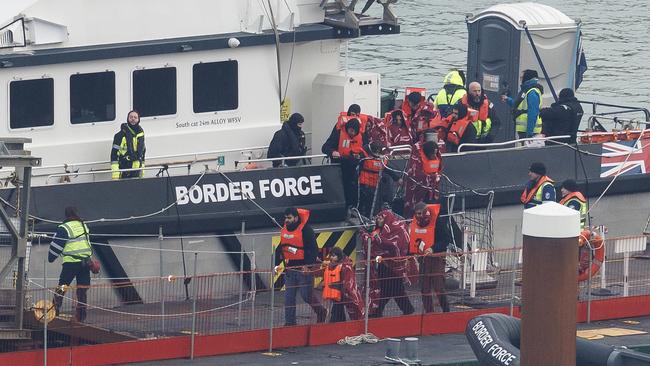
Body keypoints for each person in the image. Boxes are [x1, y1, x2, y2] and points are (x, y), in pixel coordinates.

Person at [274, 207, 327, 326]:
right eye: (285, 218)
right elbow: (281, 248)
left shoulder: (306, 230)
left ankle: (321, 311)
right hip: (290, 269)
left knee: (306, 296)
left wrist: (308, 266)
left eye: (289, 218)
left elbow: (313, 250)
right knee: (289, 299)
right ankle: (290, 323)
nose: (286, 220)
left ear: (296, 218)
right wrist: (276, 264)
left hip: (304, 270)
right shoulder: (284, 231)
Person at [360, 209, 416, 318]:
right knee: (391, 290)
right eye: (377, 218)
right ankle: (406, 310)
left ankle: (379, 312)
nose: (377, 220)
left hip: (395, 265)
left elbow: (394, 246)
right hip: (383, 264)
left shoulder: (397, 229)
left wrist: (378, 238)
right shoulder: (379, 230)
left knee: (392, 290)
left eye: (380, 218)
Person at [49, 207, 93, 322]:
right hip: (85, 263)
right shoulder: (83, 225)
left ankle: (55, 310)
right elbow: (87, 242)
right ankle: (81, 317)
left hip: (71, 263)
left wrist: (51, 258)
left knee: (62, 286)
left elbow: (56, 245)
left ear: (66, 215)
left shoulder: (64, 228)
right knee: (82, 290)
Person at [409, 202, 450, 313]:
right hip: (423, 258)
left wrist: (433, 248)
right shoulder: (415, 224)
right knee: (424, 288)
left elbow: (446, 239)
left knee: (438, 287)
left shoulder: (438, 222)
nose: (418, 216)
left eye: (420, 213)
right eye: (416, 214)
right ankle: (429, 312)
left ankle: (446, 311)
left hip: (437, 257)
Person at [322, 118, 368, 210]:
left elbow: (366, 150)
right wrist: (332, 152)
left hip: (355, 169)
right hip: (340, 167)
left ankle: (354, 208)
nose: (352, 133)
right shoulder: (338, 134)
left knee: (354, 189)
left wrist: (360, 155)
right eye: (351, 130)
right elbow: (325, 147)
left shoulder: (362, 136)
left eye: (355, 131)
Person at [358, 141, 402, 218]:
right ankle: (363, 216)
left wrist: (397, 178)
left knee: (372, 203)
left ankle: (370, 216)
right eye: (377, 151)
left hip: (375, 185)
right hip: (363, 184)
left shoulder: (380, 159)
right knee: (364, 202)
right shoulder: (362, 157)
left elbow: (387, 169)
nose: (379, 153)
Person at [321, 247, 364, 322]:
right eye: (331, 255)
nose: (331, 257)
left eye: (333, 256)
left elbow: (348, 282)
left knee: (337, 311)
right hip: (337, 293)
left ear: (339, 256)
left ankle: (335, 324)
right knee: (338, 311)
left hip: (342, 292)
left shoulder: (345, 266)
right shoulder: (332, 265)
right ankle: (340, 323)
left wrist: (344, 290)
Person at [403, 140, 441, 218]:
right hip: (418, 191)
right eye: (432, 153)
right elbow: (415, 175)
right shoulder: (417, 159)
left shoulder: (437, 158)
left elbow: (440, 171)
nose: (434, 155)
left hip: (431, 190)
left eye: (435, 153)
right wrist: (431, 177)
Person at [501, 69, 544, 139]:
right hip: (525, 130)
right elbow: (519, 105)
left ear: (527, 77)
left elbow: (532, 113)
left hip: (530, 131)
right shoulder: (527, 90)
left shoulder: (532, 92)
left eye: (522, 77)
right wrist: (508, 99)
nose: (521, 79)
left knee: (527, 149)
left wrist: (529, 133)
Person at [111, 110, 145, 179]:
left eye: (135, 117)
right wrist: (115, 174)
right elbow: (114, 155)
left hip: (137, 172)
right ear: (128, 119)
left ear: (138, 120)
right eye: (131, 117)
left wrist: (142, 172)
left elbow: (143, 154)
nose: (133, 119)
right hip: (124, 171)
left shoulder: (141, 135)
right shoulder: (120, 136)